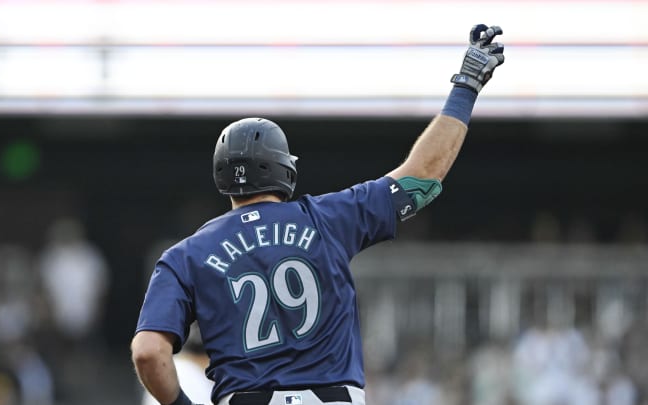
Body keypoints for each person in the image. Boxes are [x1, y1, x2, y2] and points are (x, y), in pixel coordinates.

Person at [131, 24, 505, 405]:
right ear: (284, 171)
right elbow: (422, 177)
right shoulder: (329, 218)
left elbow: (148, 352)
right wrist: (467, 85)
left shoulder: (185, 256)